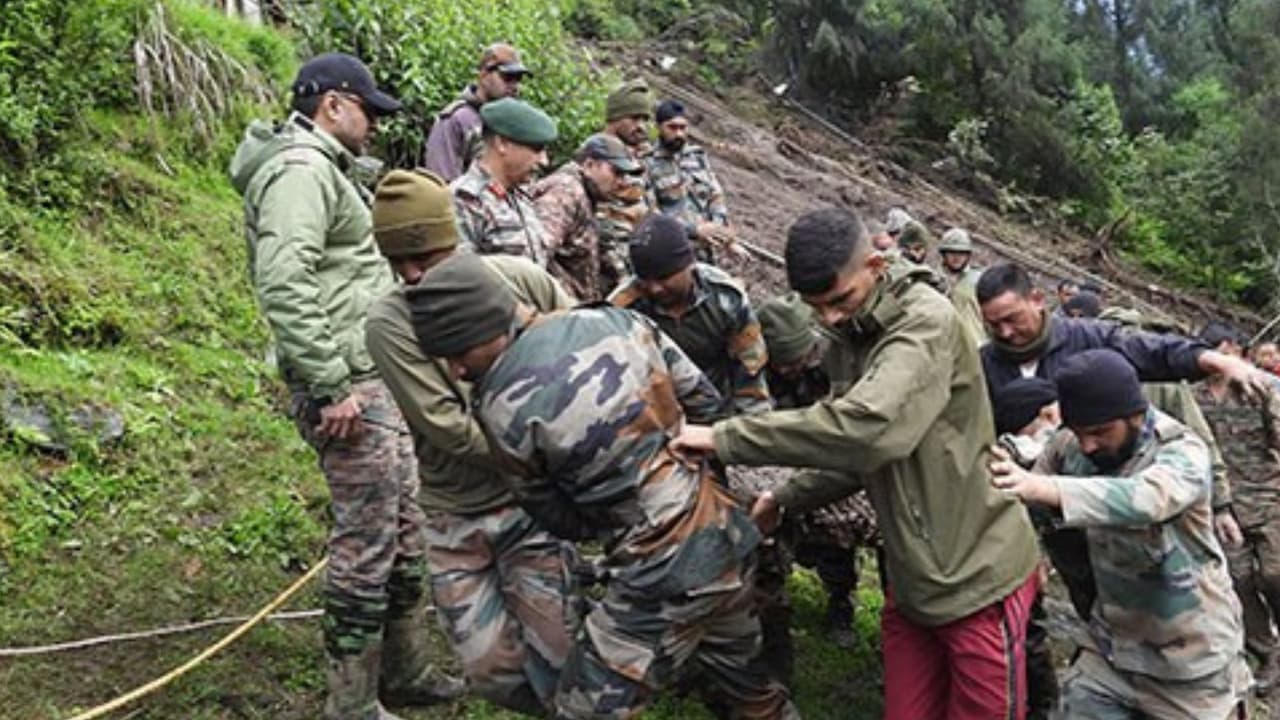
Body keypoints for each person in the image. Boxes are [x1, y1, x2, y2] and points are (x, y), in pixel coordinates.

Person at [674, 207, 1041, 720]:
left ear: (875, 262)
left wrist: (723, 437)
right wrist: (783, 498)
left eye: (839, 300)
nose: (829, 319)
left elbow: (869, 430)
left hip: (977, 577)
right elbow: (857, 455)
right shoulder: (853, 334)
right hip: (915, 580)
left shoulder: (924, 321)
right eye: (816, 307)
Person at [407, 253, 799, 720]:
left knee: (581, 707)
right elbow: (707, 408)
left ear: (489, 328)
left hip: (662, 573)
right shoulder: (621, 320)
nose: (455, 372)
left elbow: (551, 513)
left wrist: (618, 517)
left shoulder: (501, 405)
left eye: (457, 354)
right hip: (727, 538)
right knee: (748, 684)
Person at [228, 53, 462, 719]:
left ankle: (405, 672)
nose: (373, 125)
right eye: (367, 110)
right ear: (333, 104)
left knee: (406, 532)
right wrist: (331, 386)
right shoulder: (300, 172)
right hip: (348, 387)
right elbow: (284, 278)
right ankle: (352, 705)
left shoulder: (325, 170)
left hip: (372, 380)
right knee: (367, 547)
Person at [364, 169, 575, 715]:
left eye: (425, 259)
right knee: (491, 671)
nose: (412, 276)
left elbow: (580, 355)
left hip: (532, 508)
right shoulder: (390, 323)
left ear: (452, 241)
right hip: (456, 517)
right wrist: (544, 444)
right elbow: (447, 427)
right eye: (398, 264)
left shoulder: (520, 280)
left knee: (560, 655)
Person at [990, 349, 1251, 719]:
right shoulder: (1071, 446)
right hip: (1111, 649)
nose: (1088, 445)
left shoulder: (1181, 451)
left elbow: (1148, 499)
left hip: (1190, 661)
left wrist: (1047, 488)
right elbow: (1027, 494)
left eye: (1099, 432)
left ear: (1135, 414)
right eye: (1079, 433)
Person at [757, 292, 879, 650]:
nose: (786, 370)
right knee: (771, 534)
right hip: (775, 462)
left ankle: (840, 603)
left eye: (792, 361)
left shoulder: (831, 362)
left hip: (827, 462)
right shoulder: (755, 368)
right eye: (779, 363)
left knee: (837, 539)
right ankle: (770, 616)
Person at [610, 213, 771, 418]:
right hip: (651, 412)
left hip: (717, 407)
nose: (655, 289)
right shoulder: (622, 308)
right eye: (645, 280)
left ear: (689, 264)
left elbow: (750, 374)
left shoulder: (726, 299)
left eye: (663, 277)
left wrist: (747, 432)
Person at [1195, 323, 1280, 695]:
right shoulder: (1193, 395)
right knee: (1238, 581)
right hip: (1221, 506)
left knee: (1275, 575)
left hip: (1269, 496)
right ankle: (1267, 652)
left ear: (1231, 349)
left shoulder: (1257, 387)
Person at [531, 133, 642, 301]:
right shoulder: (566, 192)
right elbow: (535, 255)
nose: (622, 182)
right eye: (616, 172)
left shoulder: (588, 194)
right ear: (589, 165)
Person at [451, 98, 556, 264]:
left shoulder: (521, 197)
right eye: (536, 149)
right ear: (502, 144)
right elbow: (461, 279)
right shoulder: (464, 200)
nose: (544, 161)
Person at [422, 43, 530, 181]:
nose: (515, 86)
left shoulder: (513, 125)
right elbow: (439, 183)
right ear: (484, 74)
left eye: (518, 79)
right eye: (507, 78)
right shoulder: (458, 119)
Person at [645, 99, 735, 260]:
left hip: (705, 251)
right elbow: (650, 213)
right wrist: (694, 230)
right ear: (658, 127)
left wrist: (720, 230)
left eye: (683, 127)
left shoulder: (697, 157)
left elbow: (715, 195)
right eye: (672, 127)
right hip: (669, 250)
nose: (678, 133)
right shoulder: (647, 162)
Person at [597, 78, 657, 290]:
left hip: (636, 271)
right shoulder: (599, 160)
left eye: (644, 119)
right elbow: (600, 228)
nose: (641, 126)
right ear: (615, 118)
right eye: (634, 118)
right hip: (608, 277)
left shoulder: (635, 159)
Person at [937, 227, 986, 344]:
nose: (956, 257)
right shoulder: (933, 279)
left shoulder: (979, 280)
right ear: (944, 254)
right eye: (952, 252)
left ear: (968, 255)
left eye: (961, 253)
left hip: (975, 344)